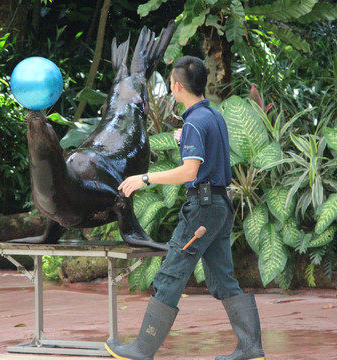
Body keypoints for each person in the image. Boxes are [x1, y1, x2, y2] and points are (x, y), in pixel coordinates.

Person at [104, 56, 265, 360]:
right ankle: (250, 347)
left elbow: (190, 172)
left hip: (202, 210)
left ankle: (142, 349)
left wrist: (144, 178)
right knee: (222, 279)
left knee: (170, 275)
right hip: (219, 206)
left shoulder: (193, 121)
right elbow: (209, 155)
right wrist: (185, 139)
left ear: (176, 86)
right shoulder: (212, 116)